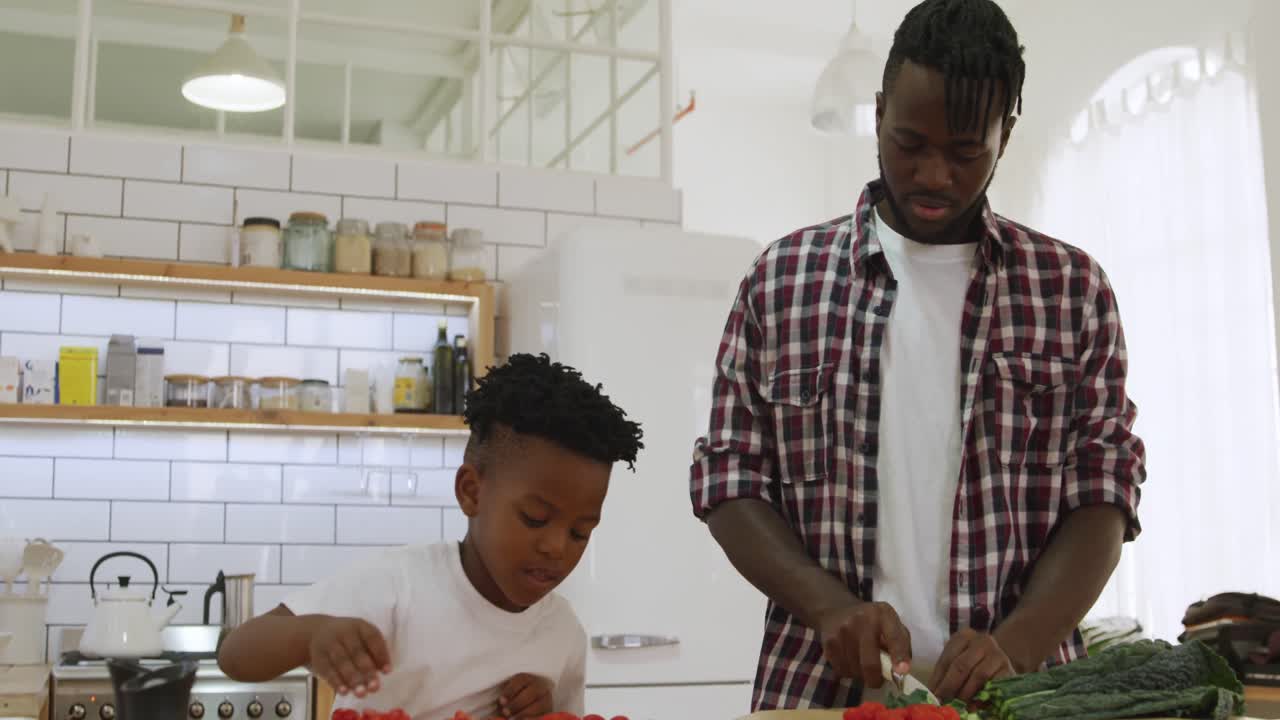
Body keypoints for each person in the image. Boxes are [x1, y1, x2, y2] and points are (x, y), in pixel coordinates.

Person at [689, 0, 1147, 710]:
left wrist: (1019, 644)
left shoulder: (1071, 289)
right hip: (820, 690)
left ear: (1006, 134)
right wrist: (827, 605)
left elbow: (1104, 493)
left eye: (966, 153)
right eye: (909, 143)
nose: (934, 175)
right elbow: (728, 477)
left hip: (1021, 695)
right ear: (878, 115)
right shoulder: (782, 281)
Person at [219, 353, 645, 719]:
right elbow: (235, 653)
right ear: (472, 492)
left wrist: (544, 706)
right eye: (534, 519)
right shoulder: (397, 585)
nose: (556, 547)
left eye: (580, 532)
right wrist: (310, 635)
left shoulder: (563, 633)